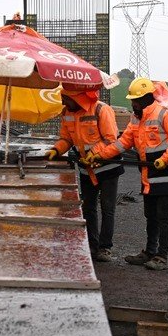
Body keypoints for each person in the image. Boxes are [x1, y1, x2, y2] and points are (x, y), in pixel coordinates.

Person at [88, 77, 168, 272]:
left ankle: (162, 256)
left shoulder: (167, 115)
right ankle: (149, 252)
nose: (133, 103)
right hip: (148, 175)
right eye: (132, 100)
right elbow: (122, 143)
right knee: (150, 215)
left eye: (136, 100)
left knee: (163, 216)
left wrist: (166, 158)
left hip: (166, 175)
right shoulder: (136, 119)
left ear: (148, 97)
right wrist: (99, 156)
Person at [46, 87, 123, 261]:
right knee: (88, 207)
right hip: (86, 168)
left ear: (77, 97)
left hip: (107, 166)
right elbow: (66, 138)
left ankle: (105, 248)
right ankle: (91, 245)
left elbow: (111, 138)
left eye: (65, 98)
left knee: (107, 207)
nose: (63, 102)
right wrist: (56, 150)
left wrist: (94, 153)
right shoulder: (67, 112)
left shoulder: (101, 109)